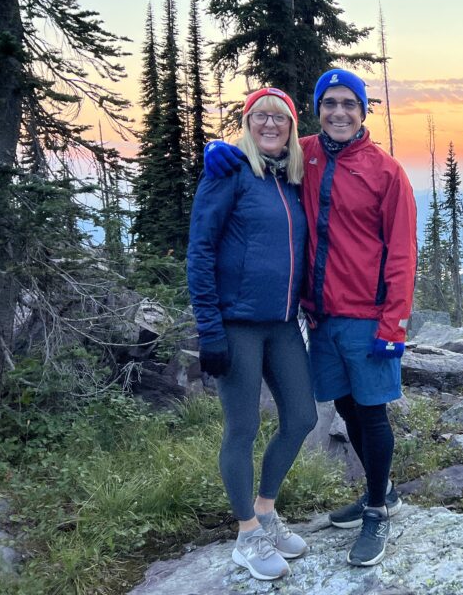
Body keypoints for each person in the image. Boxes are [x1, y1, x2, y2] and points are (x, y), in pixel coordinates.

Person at [204, 69, 417, 568]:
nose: (339, 112)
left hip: (368, 317)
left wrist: (394, 324)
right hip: (320, 319)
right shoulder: (306, 154)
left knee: (370, 412)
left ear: (363, 112)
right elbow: (263, 138)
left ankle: (378, 510)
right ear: (318, 110)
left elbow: (403, 253)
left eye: (349, 104)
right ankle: (378, 490)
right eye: (329, 104)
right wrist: (219, 149)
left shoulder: (387, 172)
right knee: (342, 405)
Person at [188, 87, 317, 581]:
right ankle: (246, 535)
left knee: (302, 418)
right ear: (246, 123)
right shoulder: (229, 172)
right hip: (236, 325)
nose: (269, 124)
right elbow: (199, 251)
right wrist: (209, 330)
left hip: (284, 325)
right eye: (259, 116)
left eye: (279, 117)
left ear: (290, 127)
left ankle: (265, 509)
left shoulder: (292, 179)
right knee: (241, 429)